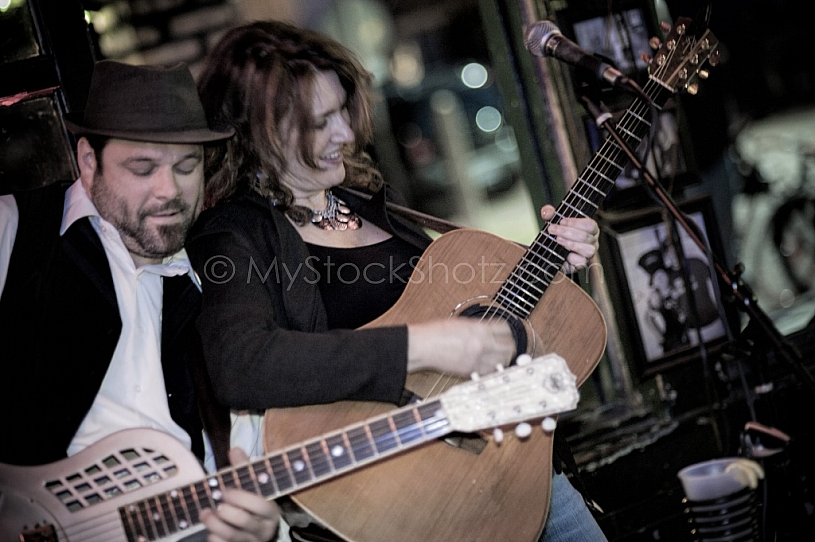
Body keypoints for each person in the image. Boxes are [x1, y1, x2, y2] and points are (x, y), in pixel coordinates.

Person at [189, 20, 606, 542]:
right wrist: (425, 346)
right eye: (320, 123)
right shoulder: (234, 233)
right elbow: (242, 364)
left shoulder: (364, 198)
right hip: (406, 506)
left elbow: (449, 305)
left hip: (513, 474)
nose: (344, 132)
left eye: (342, 109)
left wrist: (552, 260)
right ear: (260, 129)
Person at [0, 60, 280, 542]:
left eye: (186, 166)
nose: (168, 190)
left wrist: (263, 531)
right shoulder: (13, 231)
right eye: (142, 167)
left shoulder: (218, 286)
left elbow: (242, 463)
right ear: (88, 161)